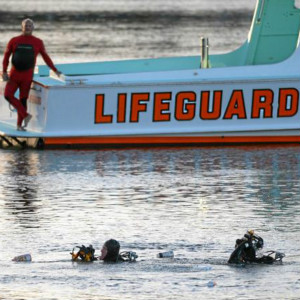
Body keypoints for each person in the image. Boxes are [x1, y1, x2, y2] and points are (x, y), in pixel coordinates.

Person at [2, 18, 61, 131]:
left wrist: (54, 70)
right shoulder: (14, 40)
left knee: (23, 99)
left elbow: (45, 57)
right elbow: (6, 57)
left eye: (30, 25)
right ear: (22, 27)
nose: (27, 27)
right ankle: (25, 115)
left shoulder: (38, 42)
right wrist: (4, 71)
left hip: (27, 76)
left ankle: (19, 126)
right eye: (25, 25)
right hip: (14, 75)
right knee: (7, 95)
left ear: (33, 28)